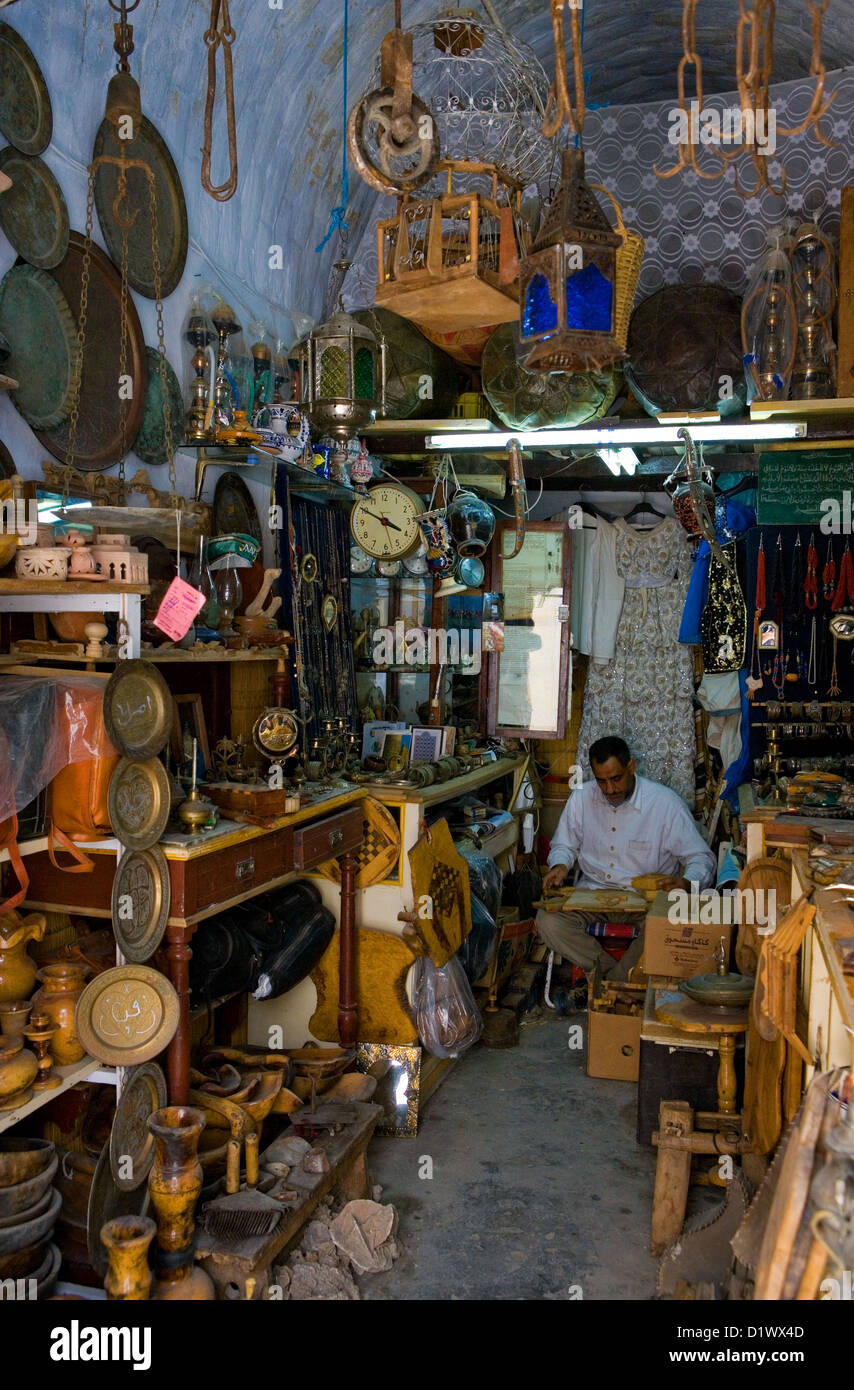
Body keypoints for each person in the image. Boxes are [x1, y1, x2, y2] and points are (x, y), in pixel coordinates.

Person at [537, 735, 716, 982]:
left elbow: (701, 857)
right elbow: (564, 844)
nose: (610, 789)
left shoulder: (664, 803)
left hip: (645, 903)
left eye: (616, 778)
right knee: (548, 922)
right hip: (592, 896)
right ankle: (620, 980)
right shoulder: (581, 798)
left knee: (670, 926)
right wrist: (559, 864)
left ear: (631, 767)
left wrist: (687, 882)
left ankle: (610, 983)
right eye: (601, 781)